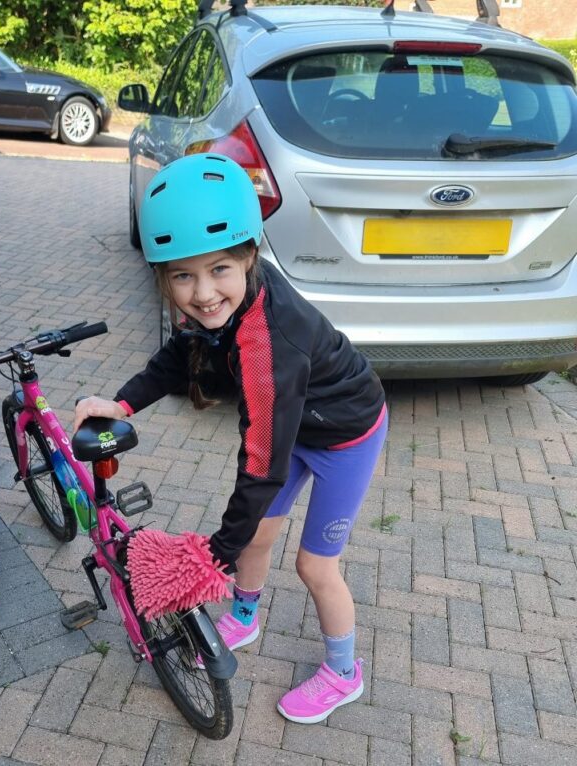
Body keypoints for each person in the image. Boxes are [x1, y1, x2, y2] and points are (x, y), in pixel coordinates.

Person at [73, 153, 387, 724]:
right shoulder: (219, 310)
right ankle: (245, 613)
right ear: (163, 277)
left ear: (250, 256)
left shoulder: (270, 345)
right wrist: (119, 403)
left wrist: (212, 556)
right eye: (182, 276)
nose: (202, 293)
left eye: (219, 269)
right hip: (297, 427)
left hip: (345, 436)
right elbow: (177, 358)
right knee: (257, 537)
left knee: (315, 567)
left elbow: (262, 462)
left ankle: (345, 673)